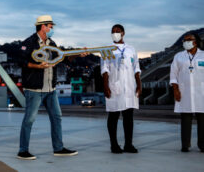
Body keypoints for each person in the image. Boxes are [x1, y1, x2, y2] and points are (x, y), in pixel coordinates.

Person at [17, 15, 86, 160]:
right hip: (35, 89)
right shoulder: (29, 43)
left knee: (56, 117)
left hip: (50, 89)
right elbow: (21, 62)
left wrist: (77, 54)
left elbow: (64, 57)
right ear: (43, 26)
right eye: (50, 26)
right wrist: (37, 65)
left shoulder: (51, 43)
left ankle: (58, 148)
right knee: (29, 120)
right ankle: (23, 151)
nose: (52, 28)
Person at [100, 24, 141, 154]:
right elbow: (104, 69)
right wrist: (106, 86)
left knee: (129, 117)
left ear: (123, 33)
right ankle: (114, 145)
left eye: (117, 31)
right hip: (114, 86)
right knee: (113, 115)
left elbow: (136, 68)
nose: (115, 34)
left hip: (130, 87)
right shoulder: (107, 49)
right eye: (113, 32)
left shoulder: (131, 49)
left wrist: (139, 85)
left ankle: (128, 144)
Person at [170, 32, 204, 152]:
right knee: (185, 118)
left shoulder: (203, 55)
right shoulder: (179, 56)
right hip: (184, 91)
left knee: (202, 119)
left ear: (196, 41)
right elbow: (173, 74)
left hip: (201, 92)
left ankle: (202, 145)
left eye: (189, 40)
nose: (186, 42)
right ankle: (185, 144)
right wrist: (175, 90)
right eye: (184, 40)